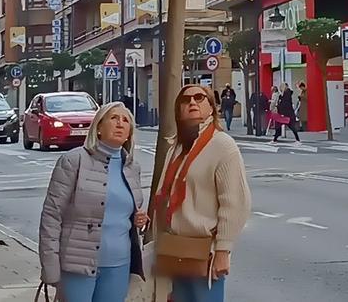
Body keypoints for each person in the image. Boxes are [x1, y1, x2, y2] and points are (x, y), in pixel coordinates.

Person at [39, 102, 147, 301]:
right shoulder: (74, 161)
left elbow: (124, 211)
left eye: (125, 121)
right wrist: (50, 268)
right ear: (98, 127)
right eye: (114, 118)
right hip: (77, 264)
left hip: (119, 264)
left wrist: (138, 219)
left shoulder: (132, 167)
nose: (120, 124)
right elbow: (51, 217)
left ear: (130, 133)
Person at [153, 84, 251, 301]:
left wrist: (223, 251)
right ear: (178, 110)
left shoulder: (222, 145)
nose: (192, 103)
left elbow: (235, 203)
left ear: (211, 108)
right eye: (185, 100)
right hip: (175, 248)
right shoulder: (176, 148)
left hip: (204, 251)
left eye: (200, 98)